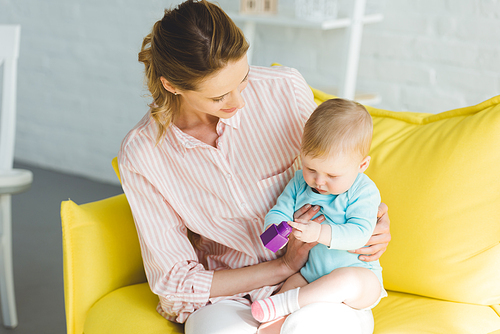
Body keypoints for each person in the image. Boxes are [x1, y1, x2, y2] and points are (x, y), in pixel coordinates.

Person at [117, 1, 391, 333]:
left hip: (318, 280)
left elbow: (339, 163)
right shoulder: (144, 154)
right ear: (173, 86)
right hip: (231, 292)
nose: (240, 102)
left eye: (243, 79)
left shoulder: (284, 90)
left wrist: (374, 223)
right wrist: (282, 266)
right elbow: (174, 280)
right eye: (220, 97)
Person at [251, 99, 387, 329]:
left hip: (361, 279)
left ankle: (284, 304)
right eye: (311, 169)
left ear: (362, 165)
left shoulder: (364, 191)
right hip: (311, 275)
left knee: (346, 280)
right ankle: (270, 326)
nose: (319, 182)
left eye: (332, 176)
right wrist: (275, 229)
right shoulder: (298, 183)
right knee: (290, 288)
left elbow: (360, 234)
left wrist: (319, 233)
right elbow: (279, 209)